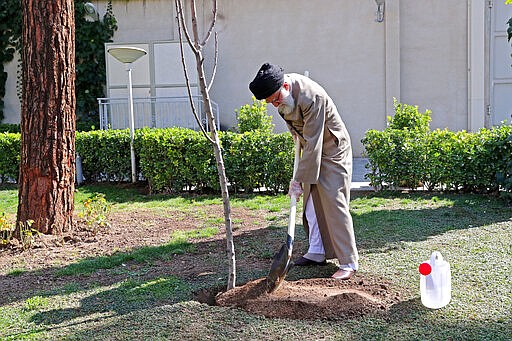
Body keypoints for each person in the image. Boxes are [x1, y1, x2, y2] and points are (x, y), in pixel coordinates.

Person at [249, 62, 359, 280]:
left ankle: (349, 261)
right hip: (310, 145)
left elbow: (315, 141)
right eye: (270, 103)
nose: (275, 105)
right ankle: (317, 251)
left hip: (332, 149)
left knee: (333, 201)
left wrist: (298, 180)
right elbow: (303, 135)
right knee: (310, 202)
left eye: (276, 99)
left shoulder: (311, 97)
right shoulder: (282, 97)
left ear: (286, 87)